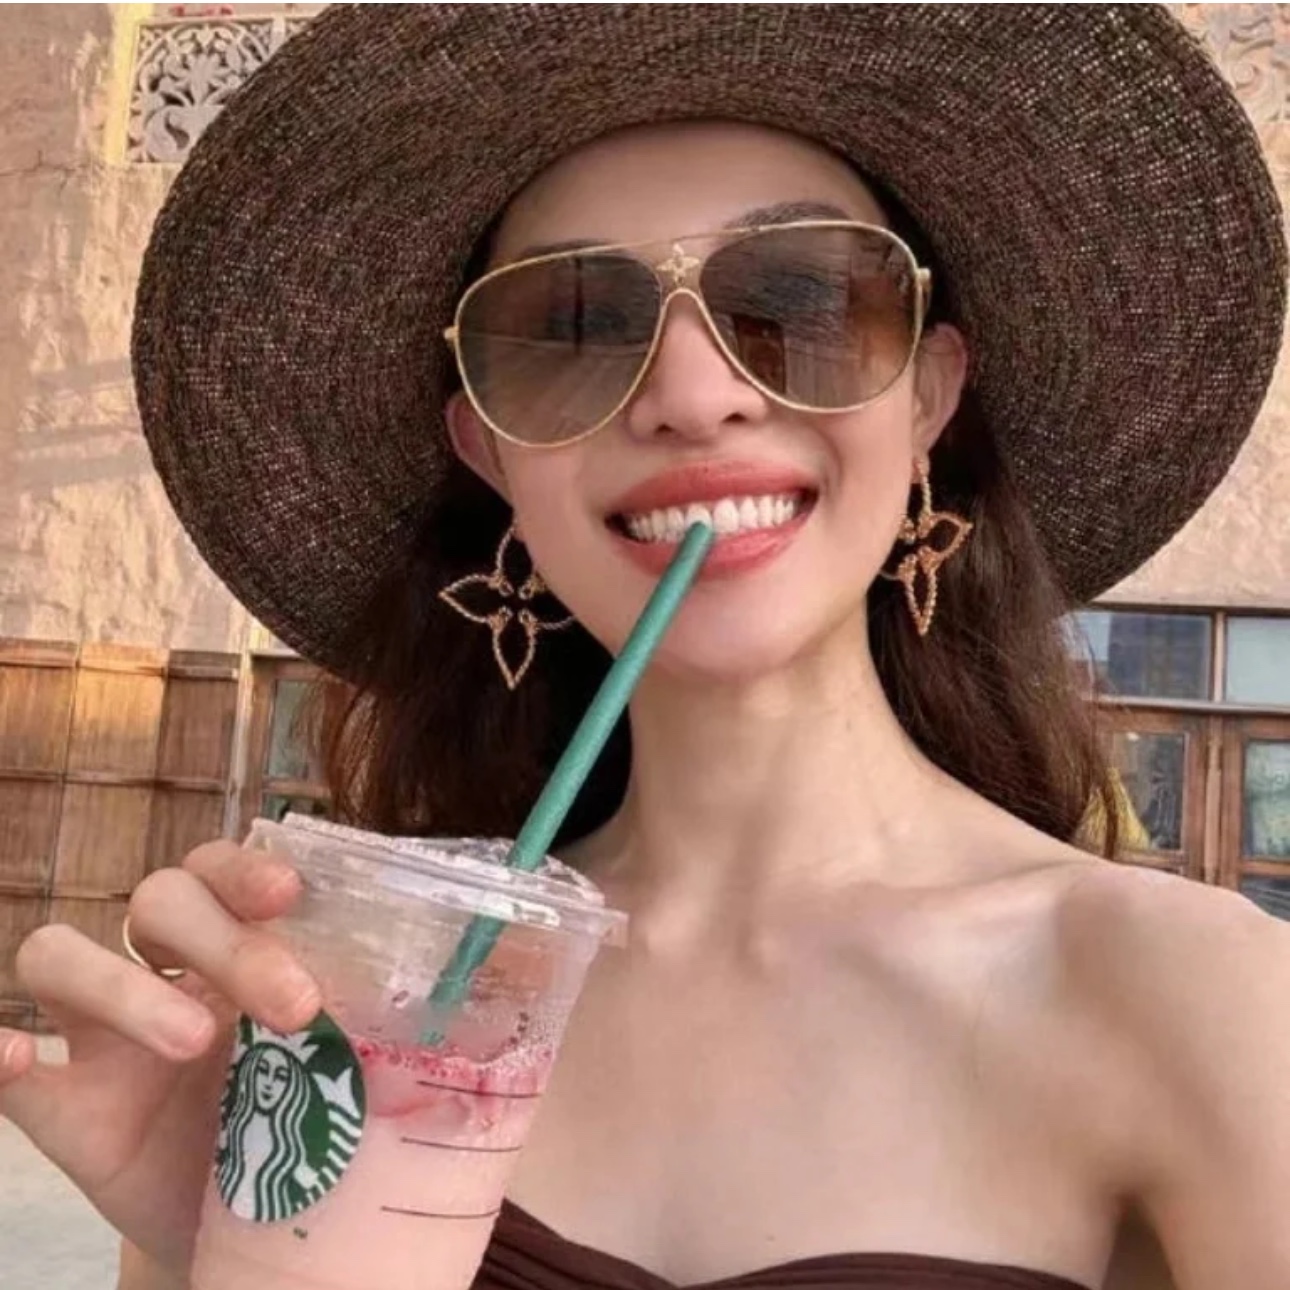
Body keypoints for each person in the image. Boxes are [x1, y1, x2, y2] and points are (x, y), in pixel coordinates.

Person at [2, 7, 1289, 1289]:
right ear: (493, 457)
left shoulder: (1200, 999)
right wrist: (217, 1252)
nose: (693, 394)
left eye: (801, 299)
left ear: (928, 402)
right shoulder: (371, 1000)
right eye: (572, 329)